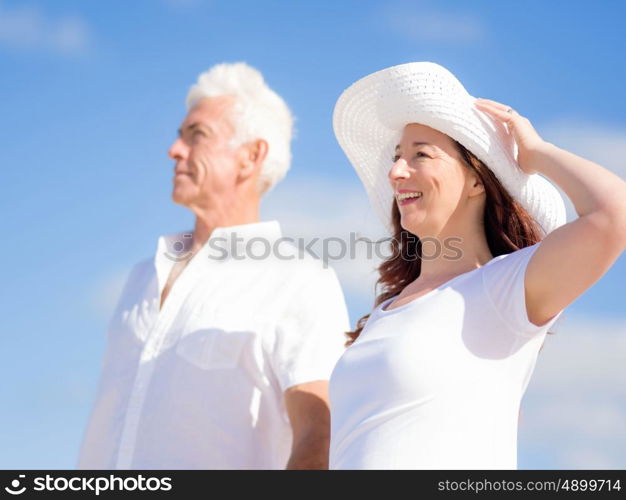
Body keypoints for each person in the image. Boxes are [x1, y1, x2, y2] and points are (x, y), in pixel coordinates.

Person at [328, 62, 626, 469]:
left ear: (476, 181)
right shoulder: (384, 312)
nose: (396, 172)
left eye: (420, 155)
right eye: (397, 157)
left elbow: (614, 214)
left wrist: (537, 154)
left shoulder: (504, 288)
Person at [77, 62, 350, 470]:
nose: (174, 150)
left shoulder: (299, 278)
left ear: (251, 156)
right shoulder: (139, 278)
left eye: (196, 135)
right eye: (179, 136)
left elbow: (319, 437)